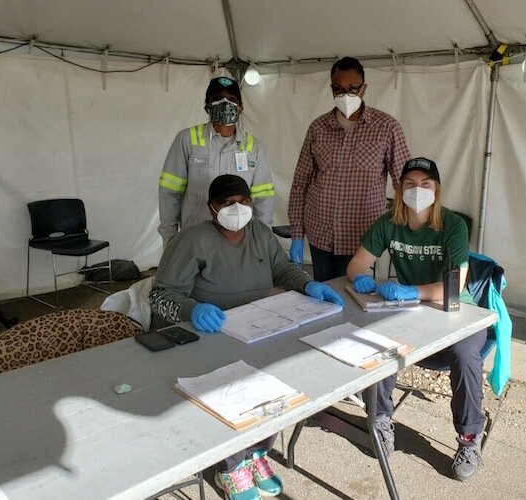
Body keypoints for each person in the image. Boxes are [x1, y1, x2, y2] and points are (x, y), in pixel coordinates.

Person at [150, 174, 343, 500]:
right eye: (228, 204)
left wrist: (307, 284)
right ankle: (230, 466)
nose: (237, 209)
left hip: (255, 328)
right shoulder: (192, 241)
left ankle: (257, 452)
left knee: (278, 382)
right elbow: (160, 295)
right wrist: (192, 310)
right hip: (209, 333)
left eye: (243, 201)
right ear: (212, 209)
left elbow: (282, 267)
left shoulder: (260, 234)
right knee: (232, 393)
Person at [346, 157, 487, 482]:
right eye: (410, 184)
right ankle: (380, 419)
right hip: (409, 312)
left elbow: (455, 286)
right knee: (378, 344)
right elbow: (356, 265)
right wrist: (364, 280)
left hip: (454, 311)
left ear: (436, 189)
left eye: (425, 184)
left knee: (466, 355)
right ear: (399, 189)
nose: (417, 190)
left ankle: (469, 438)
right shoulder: (388, 223)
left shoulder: (452, 226)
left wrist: (410, 292)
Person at [288, 56, 410, 281]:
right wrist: (297, 233)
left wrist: (405, 231)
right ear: (331, 89)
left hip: (361, 235)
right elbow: (300, 183)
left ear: (364, 89)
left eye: (353, 89)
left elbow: (404, 182)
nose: (346, 95)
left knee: (355, 298)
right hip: (320, 232)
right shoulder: (318, 128)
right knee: (323, 298)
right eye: (339, 89)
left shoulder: (386, 127)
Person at [158, 76, 275, 247]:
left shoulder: (253, 147)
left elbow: (263, 199)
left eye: (232, 99)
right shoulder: (187, 140)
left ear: (241, 108)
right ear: (207, 106)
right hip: (195, 239)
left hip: (238, 241)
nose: (225, 103)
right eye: (217, 99)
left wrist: (264, 242)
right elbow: (169, 193)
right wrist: (170, 239)